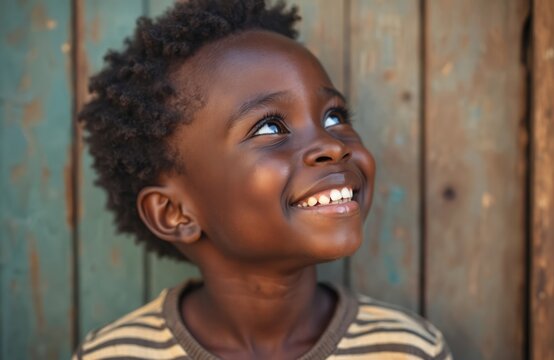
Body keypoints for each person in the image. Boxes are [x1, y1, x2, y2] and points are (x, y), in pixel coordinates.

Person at [73, 0, 452, 358]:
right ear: (174, 212)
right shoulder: (113, 354)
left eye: (335, 117)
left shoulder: (408, 349)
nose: (331, 146)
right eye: (270, 127)